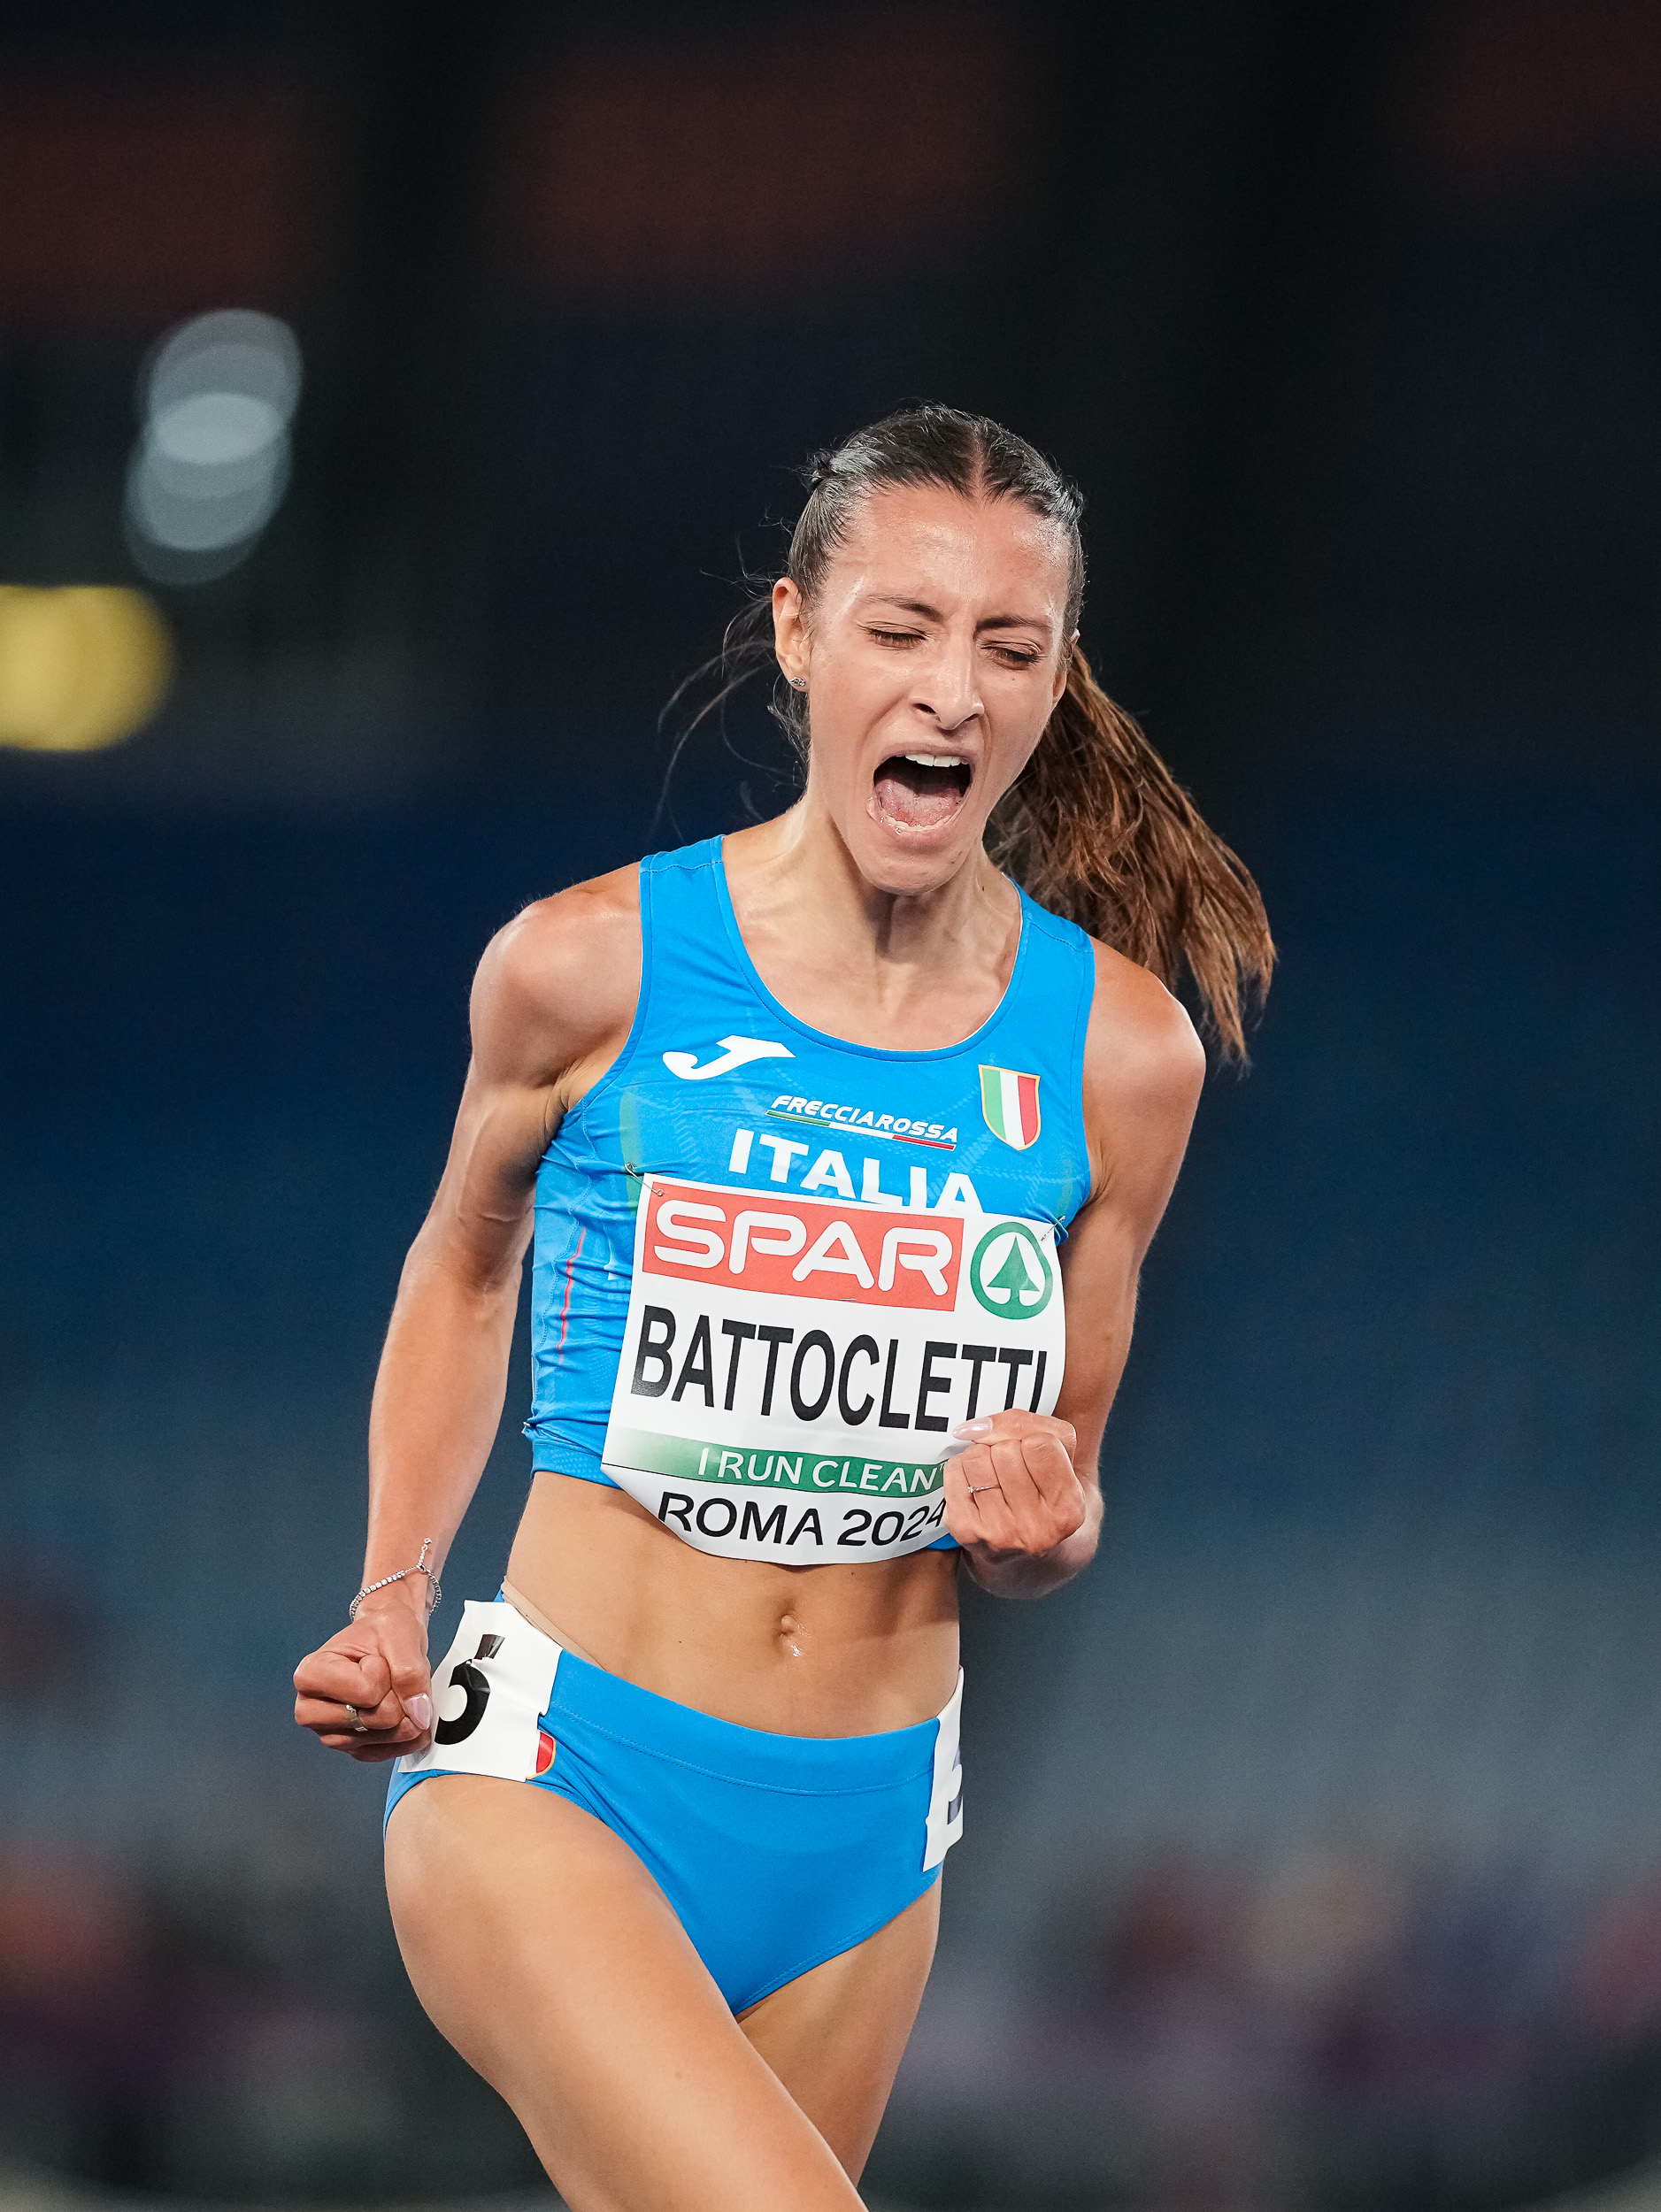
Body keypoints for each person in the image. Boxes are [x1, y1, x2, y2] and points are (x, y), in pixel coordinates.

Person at [292, 404, 1273, 2212]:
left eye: (1009, 647)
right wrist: (389, 1594)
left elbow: (1057, 1501)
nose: (951, 691)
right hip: (558, 1768)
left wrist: (1046, 1529)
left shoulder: (1122, 1055)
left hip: (867, 1840)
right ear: (799, 633)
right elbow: (463, 1264)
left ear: (1058, 680)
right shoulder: (587, 964)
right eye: (902, 628)